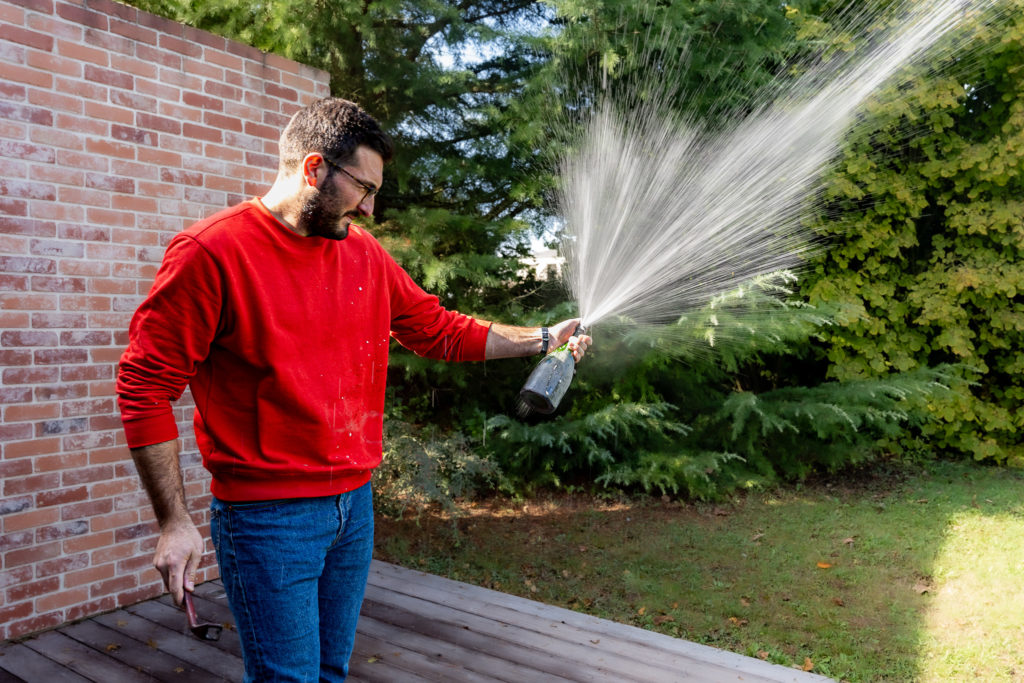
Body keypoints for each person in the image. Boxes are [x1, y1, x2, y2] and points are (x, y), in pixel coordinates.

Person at [116, 96, 591, 682]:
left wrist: (544, 337)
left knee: (332, 672)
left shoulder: (362, 253)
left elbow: (437, 330)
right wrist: (173, 521)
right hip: (268, 518)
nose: (370, 207)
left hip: (353, 507)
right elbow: (143, 386)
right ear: (314, 168)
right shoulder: (212, 252)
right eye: (362, 189)